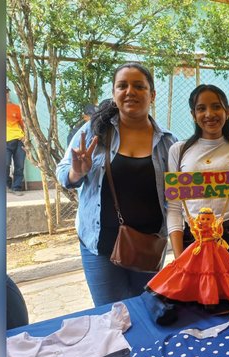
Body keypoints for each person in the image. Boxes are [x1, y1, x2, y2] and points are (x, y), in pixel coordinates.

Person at [56, 62, 176, 307]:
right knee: (110, 320)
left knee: (147, 316)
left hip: (149, 248)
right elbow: (63, 172)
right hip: (100, 247)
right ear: (114, 93)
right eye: (122, 85)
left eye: (139, 86)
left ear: (152, 95)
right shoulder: (94, 131)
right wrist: (76, 172)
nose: (130, 91)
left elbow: (177, 196)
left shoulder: (168, 142)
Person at [167, 84, 229, 265]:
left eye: (216, 106)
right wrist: (178, 258)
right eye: (201, 108)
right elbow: (174, 208)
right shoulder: (178, 151)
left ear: (227, 111)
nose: (209, 114)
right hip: (192, 241)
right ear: (193, 115)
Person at [6, 87, 26, 195]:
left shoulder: (16, 108)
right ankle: (7, 184)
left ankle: (16, 187)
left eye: (7, 93)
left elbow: (23, 124)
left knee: (20, 165)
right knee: (5, 164)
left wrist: (25, 137)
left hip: (19, 139)